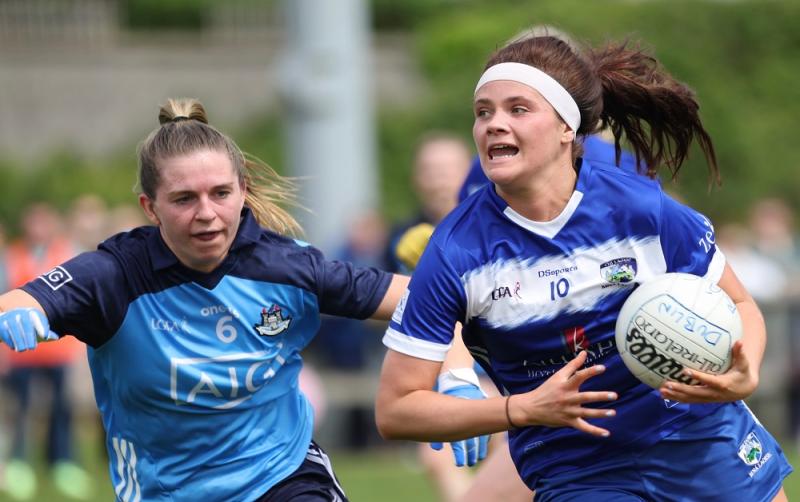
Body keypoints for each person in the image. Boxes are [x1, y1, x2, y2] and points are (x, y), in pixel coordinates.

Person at [375, 35, 792, 501]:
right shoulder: (456, 250)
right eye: (483, 112)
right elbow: (397, 409)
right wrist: (518, 408)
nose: (494, 125)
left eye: (518, 109)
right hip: (578, 467)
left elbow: (737, 302)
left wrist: (746, 368)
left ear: (566, 128)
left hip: (697, 436)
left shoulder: (640, 209)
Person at [0, 98, 409, 501]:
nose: (207, 213)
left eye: (220, 193)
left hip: (282, 475)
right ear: (151, 207)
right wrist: (19, 313)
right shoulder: (114, 275)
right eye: (184, 199)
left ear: (242, 191)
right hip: (166, 492)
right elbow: (23, 299)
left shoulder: (288, 266)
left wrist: (455, 371)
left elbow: (419, 301)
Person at [1, 202, 92, 501]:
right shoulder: (12, 256)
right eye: (33, 223)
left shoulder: (67, 253)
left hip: (61, 351)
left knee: (63, 410)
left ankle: (62, 462)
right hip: (21, 351)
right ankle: (19, 464)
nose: (38, 229)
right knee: (22, 409)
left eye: (44, 223)